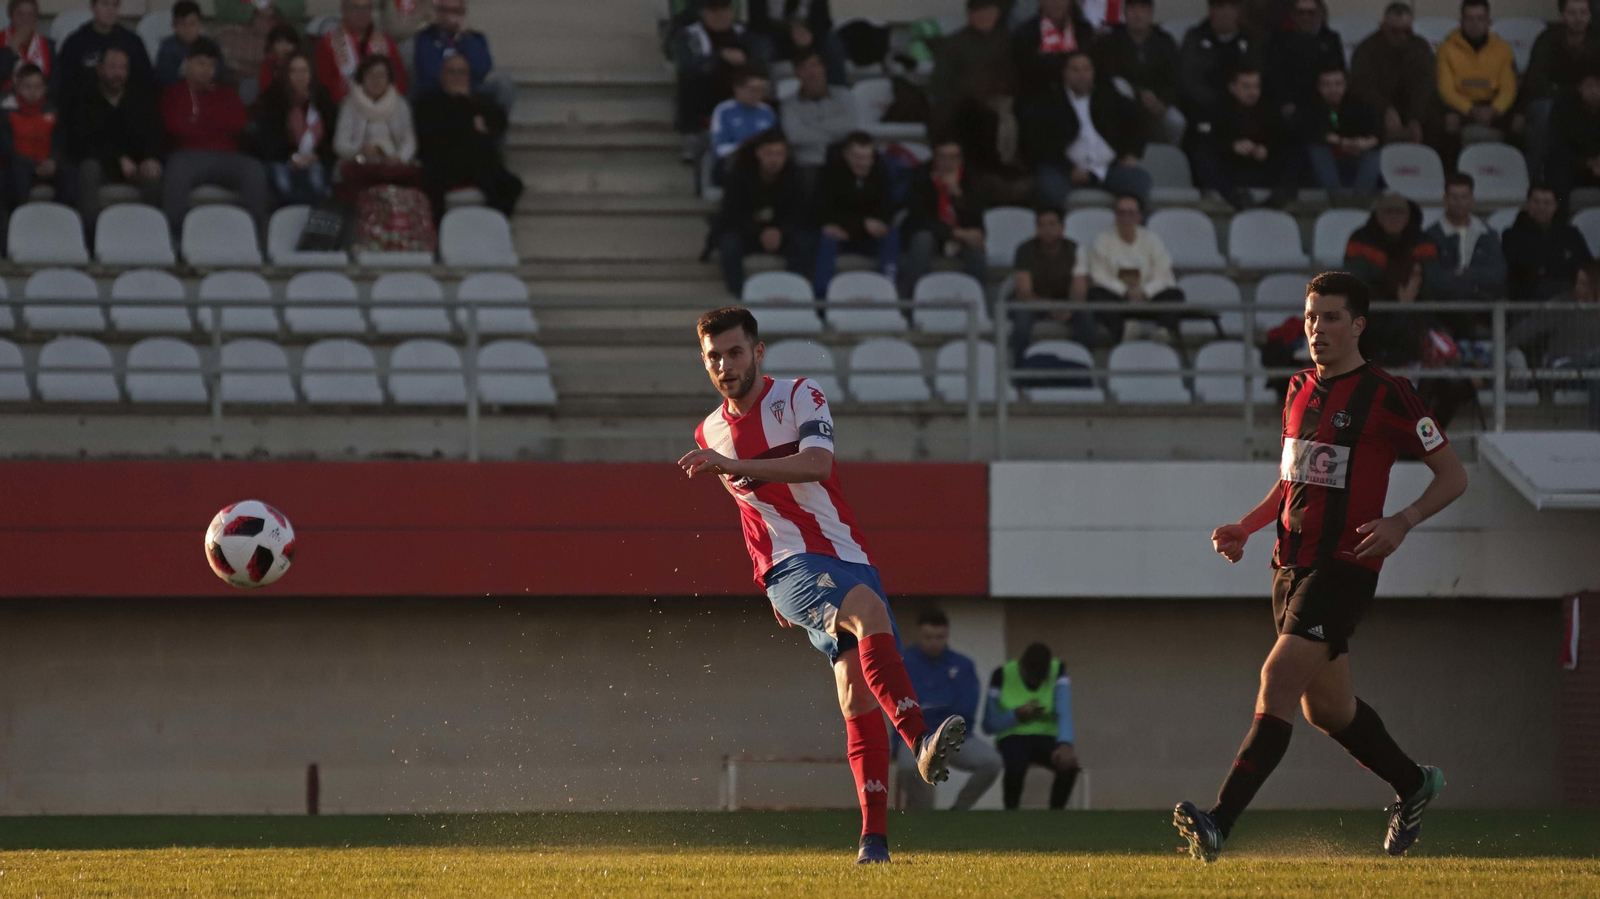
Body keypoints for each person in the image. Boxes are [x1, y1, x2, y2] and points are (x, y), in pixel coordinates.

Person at [1173, 270, 1470, 864]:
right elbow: (1292, 482)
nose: (1317, 328)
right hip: (1288, 567)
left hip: (1345, 566)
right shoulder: (1297, 388)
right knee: (1326, 709)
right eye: (1311, 317)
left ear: (1358, 325)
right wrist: (1246, 527)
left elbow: (1454, 476)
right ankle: (1414, 784)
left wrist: (1402, 521)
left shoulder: (1388, 393)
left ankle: (1218, 823)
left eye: (1331, 317)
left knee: (1278, 679)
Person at [679, 306, 967, 864]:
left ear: (757, 352)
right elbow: (750, 516)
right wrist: (766, 581)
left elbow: (816, 463)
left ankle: (873, 844)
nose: (724, 366)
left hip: (847, 555)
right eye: (713, 357)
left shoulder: (800, 395)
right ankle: (920, 740)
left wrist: (731, 464)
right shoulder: (709, 432)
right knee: (868, 613)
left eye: (734, 353)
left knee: (856, 694)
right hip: (790, 566)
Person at [897, 608, 1004, 811]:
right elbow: (900, 704)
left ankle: (959, 811)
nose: (933, 642)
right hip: (916, 736)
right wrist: (938, 707)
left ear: (947, 635)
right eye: (928, 637)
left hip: (954, 738)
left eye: (939, 637)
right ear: (919, 634)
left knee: (992, 762)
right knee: (908, 767)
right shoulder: (904, 662)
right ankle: (926, 816)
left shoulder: (963, 665)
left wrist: (928, 708)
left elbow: (966, 708)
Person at [1018, 50, 1152, 211]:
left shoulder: (1108, 96)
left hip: (1107, 168)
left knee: (1139, 180)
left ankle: (1129, 225)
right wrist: (1068, 168)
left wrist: (1131, 152)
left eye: (1086, 69)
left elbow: (1139, 119)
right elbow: (1038, 142)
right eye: (1075, 70)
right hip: (1063, 169)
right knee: (1048, 187)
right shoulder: (1050, 101)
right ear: (1064, 73)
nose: (1081, 75)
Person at [160, 39, 268, 237]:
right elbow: (175, 127)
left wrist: (198, 120)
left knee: (254, 169)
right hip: (188, 156)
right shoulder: (173, 93)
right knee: (177, 170)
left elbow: (239, 123)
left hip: (227, 156)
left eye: (211, 65)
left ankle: (255, 237)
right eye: (201, 63)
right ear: (188, 63)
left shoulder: (227, 93)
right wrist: (215, 123)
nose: (207, 70)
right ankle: (173, 237)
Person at [59, 46, 161, 228]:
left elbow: (153, 134)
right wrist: (118, 158)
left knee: (153, 176)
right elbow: (82, 143)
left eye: (123, 68)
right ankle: (90, 235)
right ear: (99, 69)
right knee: (88, 169)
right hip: (101, 165)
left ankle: (150, 232)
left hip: (135, 165)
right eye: (112, 67)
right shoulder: (85, 99)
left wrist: (151, 158)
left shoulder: (139, 99)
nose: (118, 73)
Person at [414, 53, 523, 222]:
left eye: (461, 72)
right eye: (451, 72)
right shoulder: (428, 101)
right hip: (443, 164)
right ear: (442, 75)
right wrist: (470, 121)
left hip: (477, 165)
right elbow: (435, 133)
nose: (457, 77)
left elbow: (499, 121)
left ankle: (493, 225)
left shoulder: (478, 100)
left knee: (510, 185)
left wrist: (466, 103)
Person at [1343, 193, 1439, 366]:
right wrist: (1400, 295)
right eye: (1389, 212)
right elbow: (1355, 283)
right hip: (1373, 317)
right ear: (1378, 214)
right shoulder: (1360, 240)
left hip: (1415, 314)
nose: (1394, 218)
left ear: (1408, 215)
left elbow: (1432, 281)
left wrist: (1410, 297)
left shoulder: (1423, 241)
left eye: (1400, 212)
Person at [715, 129, 813, 296]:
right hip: (747, 231)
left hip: (782, 232)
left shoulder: (796, 175)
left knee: (804, 241)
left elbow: (800, 213)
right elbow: (732, 213)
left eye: (779, 154)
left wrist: (780, 231)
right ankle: (737, 293)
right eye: (769, 153)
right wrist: (759, 232)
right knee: (729, 243)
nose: (774, 159)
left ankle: (794, 291)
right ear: (758, 153)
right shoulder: (739, 173)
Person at [982, 642, 1080, 810]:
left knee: (1069, 765)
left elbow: (1064, 710)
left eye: (1041, 678)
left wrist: (1065, 743)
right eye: (1032, 677)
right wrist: (1016, 715)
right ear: (1021, 665)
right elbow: (988, 725)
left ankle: (1056, 814)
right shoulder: (1001, 674)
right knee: (1015, 767)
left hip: (1047, 736)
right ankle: (1011, 813)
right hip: (1012, 735)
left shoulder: (1058, 670)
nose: (1036, 682)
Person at [1190, 65, 1295, 210]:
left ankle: (1279, 197)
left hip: (1261, 169)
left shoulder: (1269, 108)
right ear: (1232, 87)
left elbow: (1282, 139)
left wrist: (1266, 149)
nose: (1253, 92)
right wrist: (1232, 146)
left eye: (1256, 86)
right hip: (1229, 169)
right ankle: (1235, 197)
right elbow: (1202, 139)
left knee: (1297, 152)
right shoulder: (1215, 108)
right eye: (1246, 87)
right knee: (1202, 153)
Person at [1086, 194, 1184, 344]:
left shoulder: (1152, 240)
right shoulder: (1102, 240)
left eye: (1131, 213)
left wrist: (1145, 291)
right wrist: (1124, 291)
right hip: (1118, 300)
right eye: (1121, 213)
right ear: (1116, 217)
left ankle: (1163, 331)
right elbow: (1098, 275)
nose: (1126, 218)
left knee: (1175, 294)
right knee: (1095, 294)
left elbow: (1163, 273)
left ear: (1139, 217)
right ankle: (1123, 330)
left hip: (1148, 299)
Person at [930, 0, 1017, 169]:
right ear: (969, 15)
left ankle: (1005, 166)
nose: (983, 16)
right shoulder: (953, 44)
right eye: (978, 11)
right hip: (963, 106)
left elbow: (1016, 77)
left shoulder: (1010, 42)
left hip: (1002, 101)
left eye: (988, 10)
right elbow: (940, 84)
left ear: (997, 13)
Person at [1521, 0, 1599, 181]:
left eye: (1583, 13)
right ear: (1562, 16)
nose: (1578, 18)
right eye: (1573, 13)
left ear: (1590, 15)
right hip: (1554, 100)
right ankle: (1537, 180)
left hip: (1591, 101)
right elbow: (1536, 82)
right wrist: (1577, 92)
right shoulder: (1547, 39)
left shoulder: (1597, 39)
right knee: (1543, 111)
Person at [900, 139, 987, 298]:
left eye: (953, 157)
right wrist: (955, 233)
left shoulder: (971, 178)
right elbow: (919, 218)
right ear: (934, 157)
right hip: (934, 234)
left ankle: (976, 301)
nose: (948, 162)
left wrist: (957, 194)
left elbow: (976, 218)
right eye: (943, 156)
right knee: (922, 240)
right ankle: (910, 301)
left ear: (960, 159)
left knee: (976, 248)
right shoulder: (920, 176)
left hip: (962, 236)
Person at [813, 132, 897, 297]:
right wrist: (861, 224)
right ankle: (822, 296)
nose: (864, 163)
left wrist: (862, 226)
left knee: (891, 235)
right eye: (858, 157)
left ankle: (888, 289)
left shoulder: (881, 172)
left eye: (868, 158)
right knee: (827, 237)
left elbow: (886, 212)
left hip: (867, 236)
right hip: (840, 235)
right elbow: (822, 212)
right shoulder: (830, 174)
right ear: (846, 155)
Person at [250, 51, 338, 206]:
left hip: (316, 159)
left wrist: (317, 157)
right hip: (282, 159)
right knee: (284, 186)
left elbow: (332, 138)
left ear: (311, 73)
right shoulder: (273, 98)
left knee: (317, 184)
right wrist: (292, 157)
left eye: (304, 71)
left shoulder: (323, 98)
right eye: (294, 71)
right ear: (286, 74)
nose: (299, 76)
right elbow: (267, 140)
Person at [1093, 0, 1184, 145]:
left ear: (1151, 13)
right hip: (1123, 106)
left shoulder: (1165, 41)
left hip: (1159, 105)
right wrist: (1139, 94)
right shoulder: (1111, 40)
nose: (1138, 14)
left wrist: (1163, 102)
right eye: (1133, 8)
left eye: (1143, 8)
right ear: (1125, 12)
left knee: (1176, 122)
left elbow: (1175, 78)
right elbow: (1109, 75)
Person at [671, 0, 755, 154]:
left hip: (739, 89)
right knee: (690, 81)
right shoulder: (690, 34)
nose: (720, 15)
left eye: (724, 9)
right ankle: (693, 136)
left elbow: (760, 59)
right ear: (704, 13)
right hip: (706, 93)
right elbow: (687, 65)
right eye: (713, 11)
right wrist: (719, 57)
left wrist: (745, 61)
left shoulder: (743, 34)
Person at [1349, 3, 1438, 146]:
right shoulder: (1367, 49)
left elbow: (1426, 85)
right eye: (1395, 31)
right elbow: (1362, 87)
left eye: (1406, 31)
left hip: (1413, 108)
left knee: (1438, 119)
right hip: (1378, 108)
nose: (1401, 36)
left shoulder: (1420, 47)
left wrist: (1416, 118)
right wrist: (1385, 109)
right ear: (1383, 27)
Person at [53, 0, 155, 120]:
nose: (110, 10)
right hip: (86, 116)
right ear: (93, 7)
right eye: (105, 4)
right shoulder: (76, 43)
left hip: (125, 116)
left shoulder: (132, 42)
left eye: (114, 5)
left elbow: (145, 83)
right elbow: (63, 85)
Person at [1011, 205, 1089, 358]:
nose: (1047, 229)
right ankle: (1019, 367)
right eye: (1042, 225)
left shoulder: (1075, 249)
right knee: (1021, 317)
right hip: (1034, 304)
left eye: (1052, 224)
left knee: (1086, 315)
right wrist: (1050, 308)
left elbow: (1080, 289)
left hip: (1066, 302)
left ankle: (1082, 362)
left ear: (1062, 228)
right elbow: (1024, 292)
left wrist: (1070, 308)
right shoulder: (1024, 250)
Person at [333, 54, 418, 191]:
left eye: (381, 75)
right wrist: (359, 150)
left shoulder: (400, 104)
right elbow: (339, 144)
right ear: (362, 78)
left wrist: (399, 159)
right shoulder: (350, 105)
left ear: (389, 78)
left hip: (393, 167)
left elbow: (409, 141)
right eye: (370, 75)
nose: (376, 80)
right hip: (360, 166)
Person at [1437, 0, 1517, 146]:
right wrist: (1470, 109)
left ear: (1488, 21)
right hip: (1461, 107)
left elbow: (1508, 89)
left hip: (1493, 106)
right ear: (1461, 21)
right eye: (1470, 19)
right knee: (1448, 121)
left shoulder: (1503, 49)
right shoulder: (1446, 48)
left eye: (1480, 19)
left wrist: (1495, 109)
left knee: (1519, 122)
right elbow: (1446, 90)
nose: (1475, 24)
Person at [412, 0, 513, 113]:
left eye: (455, 11)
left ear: (463, 13)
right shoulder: (426, 37)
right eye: (444, 10)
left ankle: (494, 123)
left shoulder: (475, 38)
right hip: (437, 91)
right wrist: (454, 83)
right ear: (437, 13)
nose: (449, 16)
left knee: (503, 83)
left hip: (471, 89)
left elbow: (482, 68)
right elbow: (428, 71)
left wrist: (465, 37)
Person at [1297, 66, 1381, 198]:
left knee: (1375, 156)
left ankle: (1360, 200)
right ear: (1318, 87)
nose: (1333, 90)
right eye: (1327, 85)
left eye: (1338, 84)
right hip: (1328, 156)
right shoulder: (1310, 105)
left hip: (1357, 154)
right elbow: (1310, 131)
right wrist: (1342, 142)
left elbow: (1377, 131)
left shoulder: (1359, 103)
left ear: (1345, 85)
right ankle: (1337, 198)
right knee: (1317, 151)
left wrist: (1364, 143)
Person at [1501, 184, 1595, 301]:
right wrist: (1570, 270)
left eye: (1547, 203)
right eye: (1536, 201)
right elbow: (1524, 269)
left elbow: (1586, 263)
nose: (1541, 207)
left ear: (1555, 206)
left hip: (1570, 292)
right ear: (1528, 204)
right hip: (1529, 297)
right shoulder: (1512, 235)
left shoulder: (1570, 234)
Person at [1425, 173, 1506, 306]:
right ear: (1445, 199)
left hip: (1483, 308)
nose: (1459, 202)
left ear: (1472, 199)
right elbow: (1432, 278)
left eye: (1464, 197)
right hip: (1443, 309)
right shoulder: (1431, 236)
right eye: (1454, 197)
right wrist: (1473, 281)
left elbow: (1497, 274)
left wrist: (1463, 274)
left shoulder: (1488, 235)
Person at [1263, 0, 1345, 120]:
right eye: (1300, 12)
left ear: (1319, 14)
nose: (1305, 17)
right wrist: (1285, 101)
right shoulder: (1278, 41)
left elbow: (1339, 71)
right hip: (1293, 103)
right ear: (1293, 15)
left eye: (1311, 13)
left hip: (1325, 101)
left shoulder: (1330, 39)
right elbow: (1274, 75)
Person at [316, 0, 408, 104]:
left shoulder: (386, 41)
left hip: (385, 108)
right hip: (344, 108)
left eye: (366, 7)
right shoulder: (328, 43)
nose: (362, 12)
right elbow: (324, 87)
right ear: (344, 10)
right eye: (355, 7)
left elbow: (400, 81)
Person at [1176, 0, 1254, 120]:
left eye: (1231, 7)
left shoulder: (1250, 38)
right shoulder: (1195, 38)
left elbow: (1256, 74)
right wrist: (1217, 101)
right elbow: (1188, 79)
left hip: (1244, 108)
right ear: (1211, 10)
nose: (1226, 13)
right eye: (1220, 7)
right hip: (1203, 108)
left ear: (1238, 10)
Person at [780, 50, 853, 170]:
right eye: (804, 67)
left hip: (841, 162)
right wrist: (834, 134)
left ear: (824, 68)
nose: (812, 72)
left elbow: (849, 127)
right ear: (797, 73)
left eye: (815, 65)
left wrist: (811, 125)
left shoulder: (844, 95)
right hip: (806, 164)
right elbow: (794, 136)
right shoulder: (788, 104)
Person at [0, 63, 59, 208]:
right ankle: (18, 218)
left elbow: (61, 143)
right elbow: (6, 150)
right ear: (18, 87)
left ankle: (64, 218)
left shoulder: (54, 111)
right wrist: (34, 167)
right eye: (27, 86)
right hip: (20, 166)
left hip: (48, 165)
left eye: (37, 86)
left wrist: (53, 161)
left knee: (70, 173)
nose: (33, 91)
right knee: (15, 172)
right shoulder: (6, 112)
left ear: (45, 88)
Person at [1013, 0, 1095, 99]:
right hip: (1039, 98)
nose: (1057, 3)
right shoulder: (1026, 33)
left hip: (1080, 96)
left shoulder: (1083, 29)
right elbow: (1027, 72)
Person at [710, 69, 775, 183]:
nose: (758, 94)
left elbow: (775, 140)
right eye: (753, 90)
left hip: (763, 160)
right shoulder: (724, 110)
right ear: (738, 89)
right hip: (734, 159)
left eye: (761, 90)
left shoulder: (767, 111)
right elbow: (719, 146)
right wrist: (744, 149)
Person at [1549, 64, 1600, 197]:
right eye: (1590, 86)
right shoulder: (1565, 109)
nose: (1595, 91)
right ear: (1580, 88)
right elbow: (1558, 148)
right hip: (1573, 165)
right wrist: (1586, 163)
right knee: (1559, 176)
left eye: (1598, 86)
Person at [155, 1, 225, 88]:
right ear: (174, 25)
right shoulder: (168, 47)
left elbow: (221, 72)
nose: (187, 29)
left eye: (192, 24)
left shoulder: (210, 44)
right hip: (179, 91)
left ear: (200, 24)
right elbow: (164, 78)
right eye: (182, 24)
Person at [0, 0, 53, 95]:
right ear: (11, 16)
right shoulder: (1, 39)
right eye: (20, 14)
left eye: (30, 15)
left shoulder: (48, 44)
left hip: (40, 100)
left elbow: (54, 82)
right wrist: (10, 52)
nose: (25, 19)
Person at [256, 23, 301, 97]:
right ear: (272, 45)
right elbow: (267, 90)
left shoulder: (300, 63)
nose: (284, 46)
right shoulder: (267, 64)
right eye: (279, 42)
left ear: (295, 45)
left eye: (289, 42)